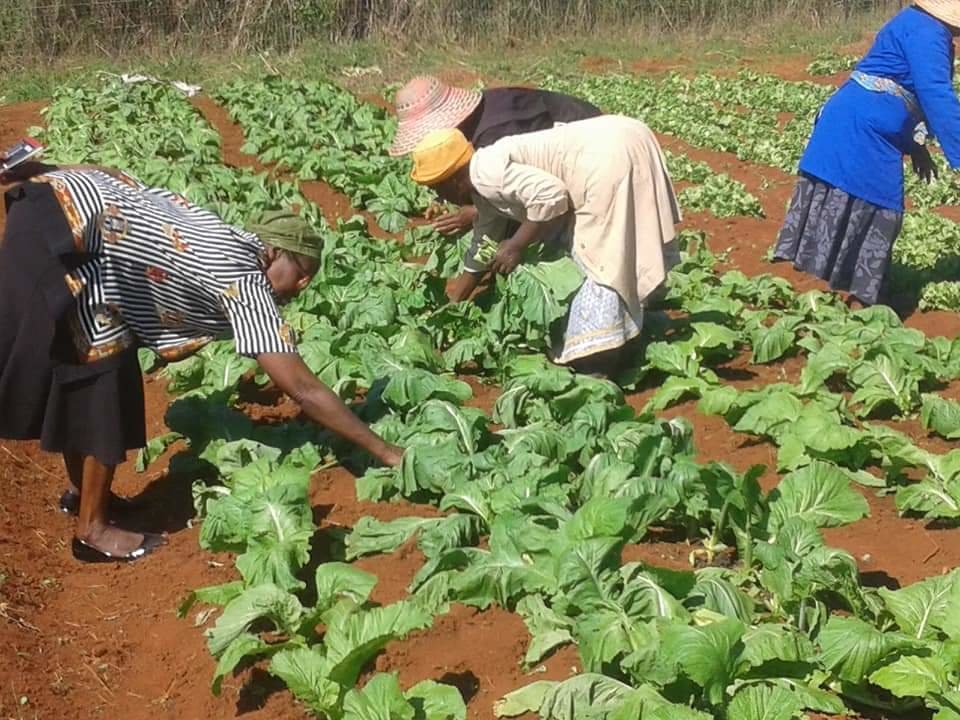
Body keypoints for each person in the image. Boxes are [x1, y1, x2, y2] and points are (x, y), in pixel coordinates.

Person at [0, 162, 403, 563]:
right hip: (65, 240)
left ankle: (86, 497)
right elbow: (302, 388)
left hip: (57, 210)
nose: (301, 286)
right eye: (301, 271)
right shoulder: (244, 279)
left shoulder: (229, 238)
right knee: (102, 383)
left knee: (99, 366)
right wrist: (385, 452)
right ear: (274, 252)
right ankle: (92, 529)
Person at [408, 116, 681, 377]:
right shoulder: (482, 185)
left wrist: (516, 244)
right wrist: (454, 303)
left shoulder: (486, 176)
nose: (437, 196)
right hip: (623, 138)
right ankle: (627, 332)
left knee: (598, 258)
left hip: (606, 159)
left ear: (453, 179)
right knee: (616, 243)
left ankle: (598, 361)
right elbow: (485, 243)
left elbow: (552, 196)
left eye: (436, 188)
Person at [774, 0, 960, 309]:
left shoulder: (915, 23)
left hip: (856, 120)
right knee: (880, 209)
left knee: (870, 207)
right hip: (862, 129)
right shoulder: (929, 34)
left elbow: (905, 87)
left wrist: (916, 145)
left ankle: (864, 294)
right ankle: (863, 300)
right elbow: (935, 94)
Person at [388, 75, 601, 236]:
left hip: (590, 147)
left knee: (558, 229)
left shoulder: (494, 137)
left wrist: (474, 213)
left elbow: (541, 190)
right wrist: (442, 196)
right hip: (573, 138)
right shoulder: (474, 122)